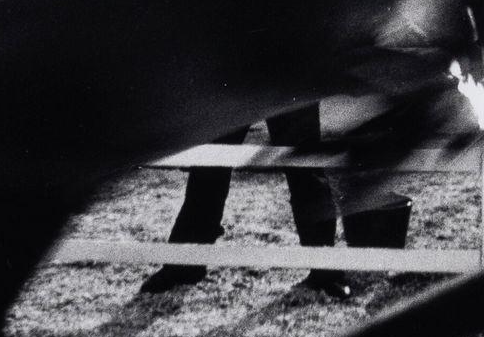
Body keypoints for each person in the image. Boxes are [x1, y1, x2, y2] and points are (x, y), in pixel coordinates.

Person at [140, 104, 356, 301]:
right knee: (209, 165)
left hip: (290, 80)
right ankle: (184, 265)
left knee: (306, 167)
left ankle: (326, 271)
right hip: (234, 84)